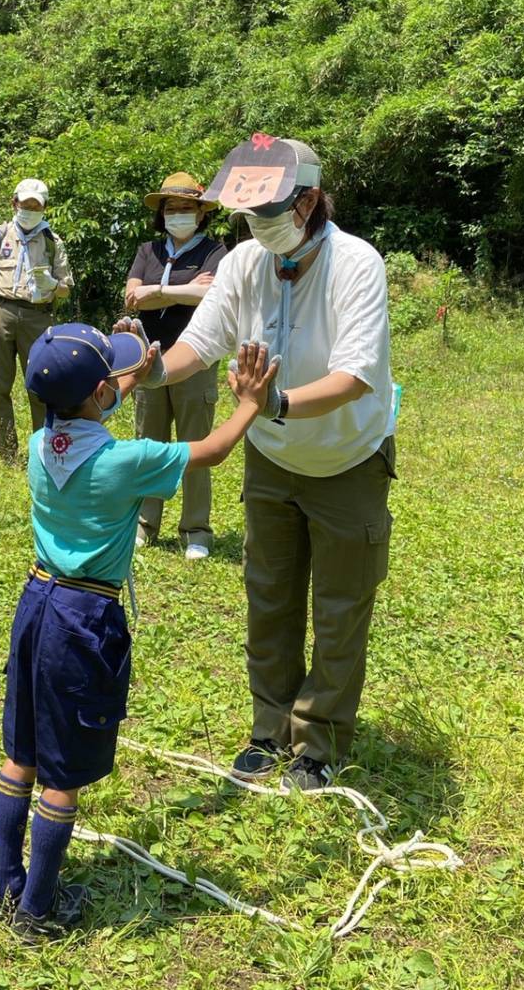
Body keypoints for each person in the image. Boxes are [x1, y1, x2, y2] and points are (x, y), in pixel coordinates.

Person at [0, 324, 275, 939]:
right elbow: (212, 450)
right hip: (83, 621)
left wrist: (130, 374)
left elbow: (87, 403)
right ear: (96, 393)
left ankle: (2, 888)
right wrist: (250, 401)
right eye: (109, 380)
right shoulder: (125, 460)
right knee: (63, 774)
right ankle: (37, 911)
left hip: (35, 606)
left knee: (21, 755)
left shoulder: (39, 445)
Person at [123, 135, 395, 792]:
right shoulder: (246, 261)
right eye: (247, 214)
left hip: (346, 459)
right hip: (271, 461)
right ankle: (270, 729)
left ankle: (319, 743)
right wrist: (151, 368)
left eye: (267, 211)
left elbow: (355, 376)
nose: (256, 225)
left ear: (307, 200)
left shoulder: (356, 264)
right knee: (268, 597)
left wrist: (274, 402)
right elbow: (200, 344)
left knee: (338, 606)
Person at [124, 172, 226, 559]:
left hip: (196, 360)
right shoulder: (148, 251)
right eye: (171, 208)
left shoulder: (216, 252)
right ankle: (145, 524)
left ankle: (195, 529)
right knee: (148, 445)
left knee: (194, 447)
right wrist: (188, 291)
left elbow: (213, 296)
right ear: (161, 214)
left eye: (187, 207)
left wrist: (161, 291)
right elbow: (131, 297)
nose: (178, 214)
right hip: (147, 359)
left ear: (201, 213)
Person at [0, 179, 73, 463]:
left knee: (41, 386)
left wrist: (53, 284)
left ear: (44, 208)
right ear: (14, 203)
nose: (29, 210)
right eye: (24, 204)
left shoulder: (53, 242)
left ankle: (44, 450)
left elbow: (65, 287)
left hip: (38, 317)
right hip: (1, 312)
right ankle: (7, 454)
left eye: (35, 206)